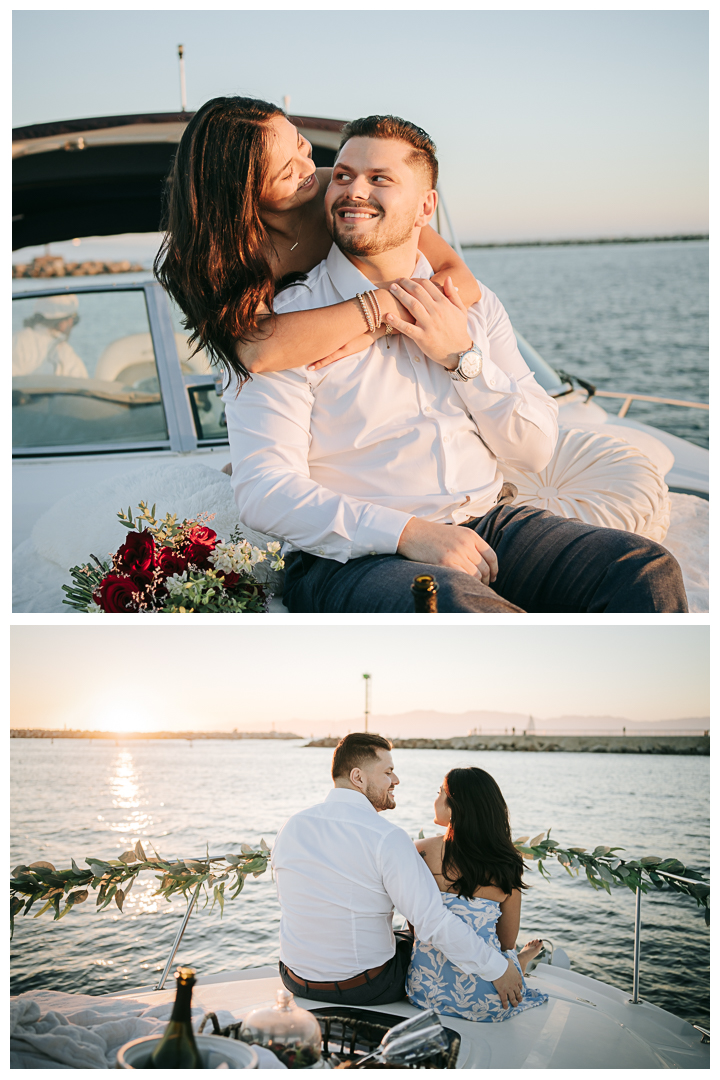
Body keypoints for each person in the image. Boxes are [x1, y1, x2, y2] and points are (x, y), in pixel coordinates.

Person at [222, 114, 688, 613]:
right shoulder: (284, 324)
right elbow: (264, 489)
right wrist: (409, 533)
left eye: (380, 178)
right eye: (343, 175)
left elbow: (534, 451)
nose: (354, 190)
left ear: (426, 206)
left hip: (488, 522)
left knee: (643, 568)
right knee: (453, 605)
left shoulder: (472, 301)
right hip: (350, 557)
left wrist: (461, 358)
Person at [154, 96, 482, 383]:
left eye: (300, 144)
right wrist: (378, 305)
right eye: (286, 172)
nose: (309, 166)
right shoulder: (221, 260)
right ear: (243, 195)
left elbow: (463, 281)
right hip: (296, 383)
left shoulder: (340, 196)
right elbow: (257, 352)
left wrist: (383, 324)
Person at [271, 733, 524, 1009]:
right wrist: (497, 968)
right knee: (414, 939)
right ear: (358, 777)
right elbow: (432, 922)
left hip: (294, 978)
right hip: (363, 987)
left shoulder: (290, 826)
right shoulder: (386, 837)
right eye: (388, 772)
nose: (396, 780)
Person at [406, 768, 547, 1022]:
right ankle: (522, 962)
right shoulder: (507, 864)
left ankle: (522, 961)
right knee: (510, 953)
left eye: (440, 793)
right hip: (491, 996)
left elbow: (416, 923)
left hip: (424, 990)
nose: (435, 799)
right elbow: (505, 942)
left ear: (455, 807)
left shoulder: (420, 851)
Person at [12, 294, 88, 378]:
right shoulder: (66, 354)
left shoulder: (16, 340)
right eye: (74, 319)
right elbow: (82, 387)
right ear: (63, 322)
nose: (71, 324)